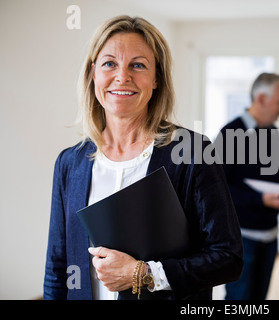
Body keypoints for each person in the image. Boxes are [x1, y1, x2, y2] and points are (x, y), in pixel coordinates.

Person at [43, 15, 243, 300]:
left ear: (156, 78)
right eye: (110, 63)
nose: (122, 76)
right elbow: (57, 265)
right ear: (93, 74)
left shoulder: (193, 154)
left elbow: (228, 259)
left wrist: (144, 274)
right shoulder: (69, 163)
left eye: (138, 65)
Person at [215, 73, 279, 300]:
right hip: (240, 240)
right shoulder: (230, 134)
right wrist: (260, 200)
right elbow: (217, 191)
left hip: (270, 236)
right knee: (239, 301)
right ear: (261, 99)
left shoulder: (272, 133)